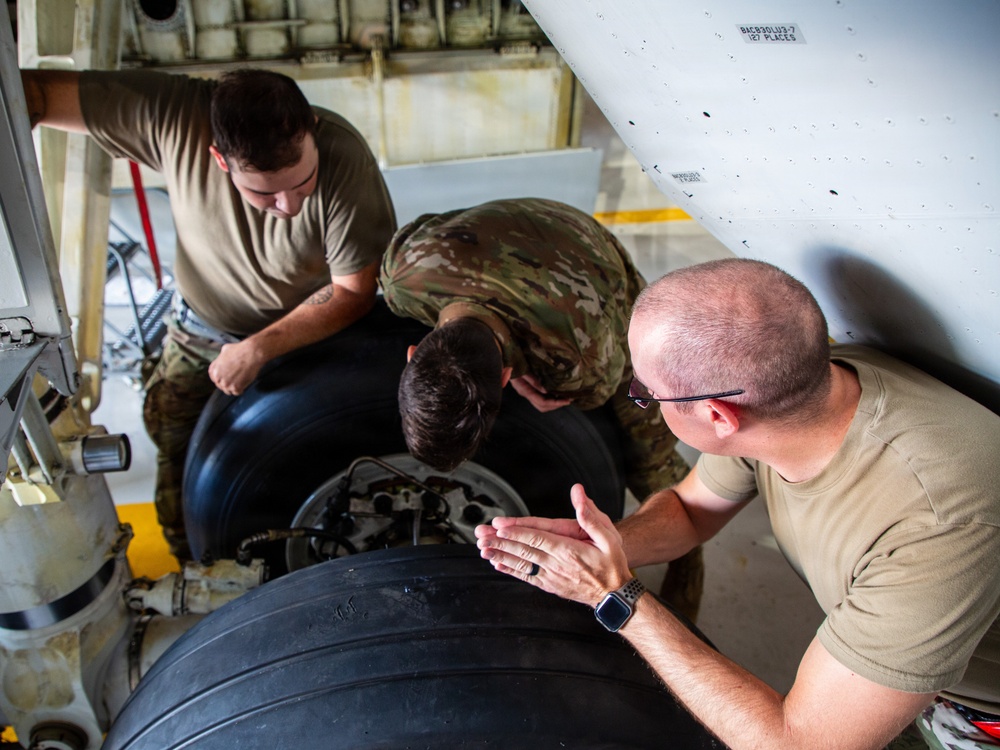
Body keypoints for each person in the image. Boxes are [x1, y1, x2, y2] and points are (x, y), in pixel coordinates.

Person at [476, 258, 1000, 750]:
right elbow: (691, 510)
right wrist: (606, 544)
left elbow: (798, 742)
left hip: (979, 717)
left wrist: (614, 595)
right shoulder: (802, 388)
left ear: (718, 416)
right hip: (922, 666)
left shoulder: (937, 525)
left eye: (645, 393)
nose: (642, 400)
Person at [23, 67, 397, 563]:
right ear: (219, 158)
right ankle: (195, 564)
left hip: (315, 334)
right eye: (264, 194)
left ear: (310, 129)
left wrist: (258, 348)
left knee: (339, 437)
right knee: (175, 448)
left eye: (302, 183)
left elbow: (353, 292)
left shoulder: (343, 156)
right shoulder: (174, 118)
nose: (288, 206)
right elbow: (30, 93)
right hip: (201, 331)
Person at [379, 197, 702, 620]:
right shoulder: (402, 274)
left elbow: (599, 392)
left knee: (648, 453)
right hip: (532, 222)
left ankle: (690, 556)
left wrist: (537, 375)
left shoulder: (581, 359)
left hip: (590, 256)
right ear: (412, 354)